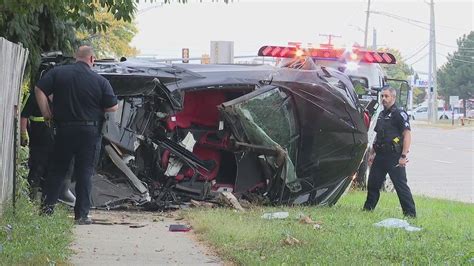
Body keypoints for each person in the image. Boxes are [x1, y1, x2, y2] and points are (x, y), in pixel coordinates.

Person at [35, 45, 118, 224]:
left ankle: (46, 211)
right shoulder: (100, 80)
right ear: (92, 59)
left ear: (76, 57)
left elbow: (39, 89)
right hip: (89, 132)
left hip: (64, 129)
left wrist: (46, 113)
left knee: (57, 170)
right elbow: (112, 107)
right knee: (85, 173)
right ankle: (81, 215)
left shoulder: (59, 73)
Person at [363, 86, 417, 218]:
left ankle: (410, 214)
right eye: (382, 96)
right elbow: (378, 136)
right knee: (373, 184)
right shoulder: (382, 115)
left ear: (393, 97)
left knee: (400, 186)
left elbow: (407, 134)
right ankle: (368, 209)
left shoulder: (399, 113)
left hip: (394, 156)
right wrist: (372, 154)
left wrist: (403, 156)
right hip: (380, 155)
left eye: (386, 96)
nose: (383, 99)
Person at [20, 93, 76, 205]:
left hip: (56, 140)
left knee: (53, 171)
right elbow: (24, 115)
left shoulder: (63, 94)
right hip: (38, 140)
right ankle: (32, 199)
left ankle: (48, 201)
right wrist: (23, 133)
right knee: (37, 169)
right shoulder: (34, 96)